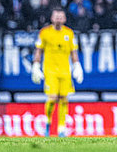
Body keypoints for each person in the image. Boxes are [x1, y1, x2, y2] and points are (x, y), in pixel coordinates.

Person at [31, 7, 83, 137]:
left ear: (64, 18)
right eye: (56, 16)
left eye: (61, 16)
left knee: (64, 99)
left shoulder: (69, 33)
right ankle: (48, 122)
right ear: (52, 18)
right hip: (50, 70)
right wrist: (36, 66)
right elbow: (39, 50)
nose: (59, 18)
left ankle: (61, 129)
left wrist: (77, 66)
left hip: (65, 71)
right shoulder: (44, 33)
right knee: (53, 98)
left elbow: (73, 52)